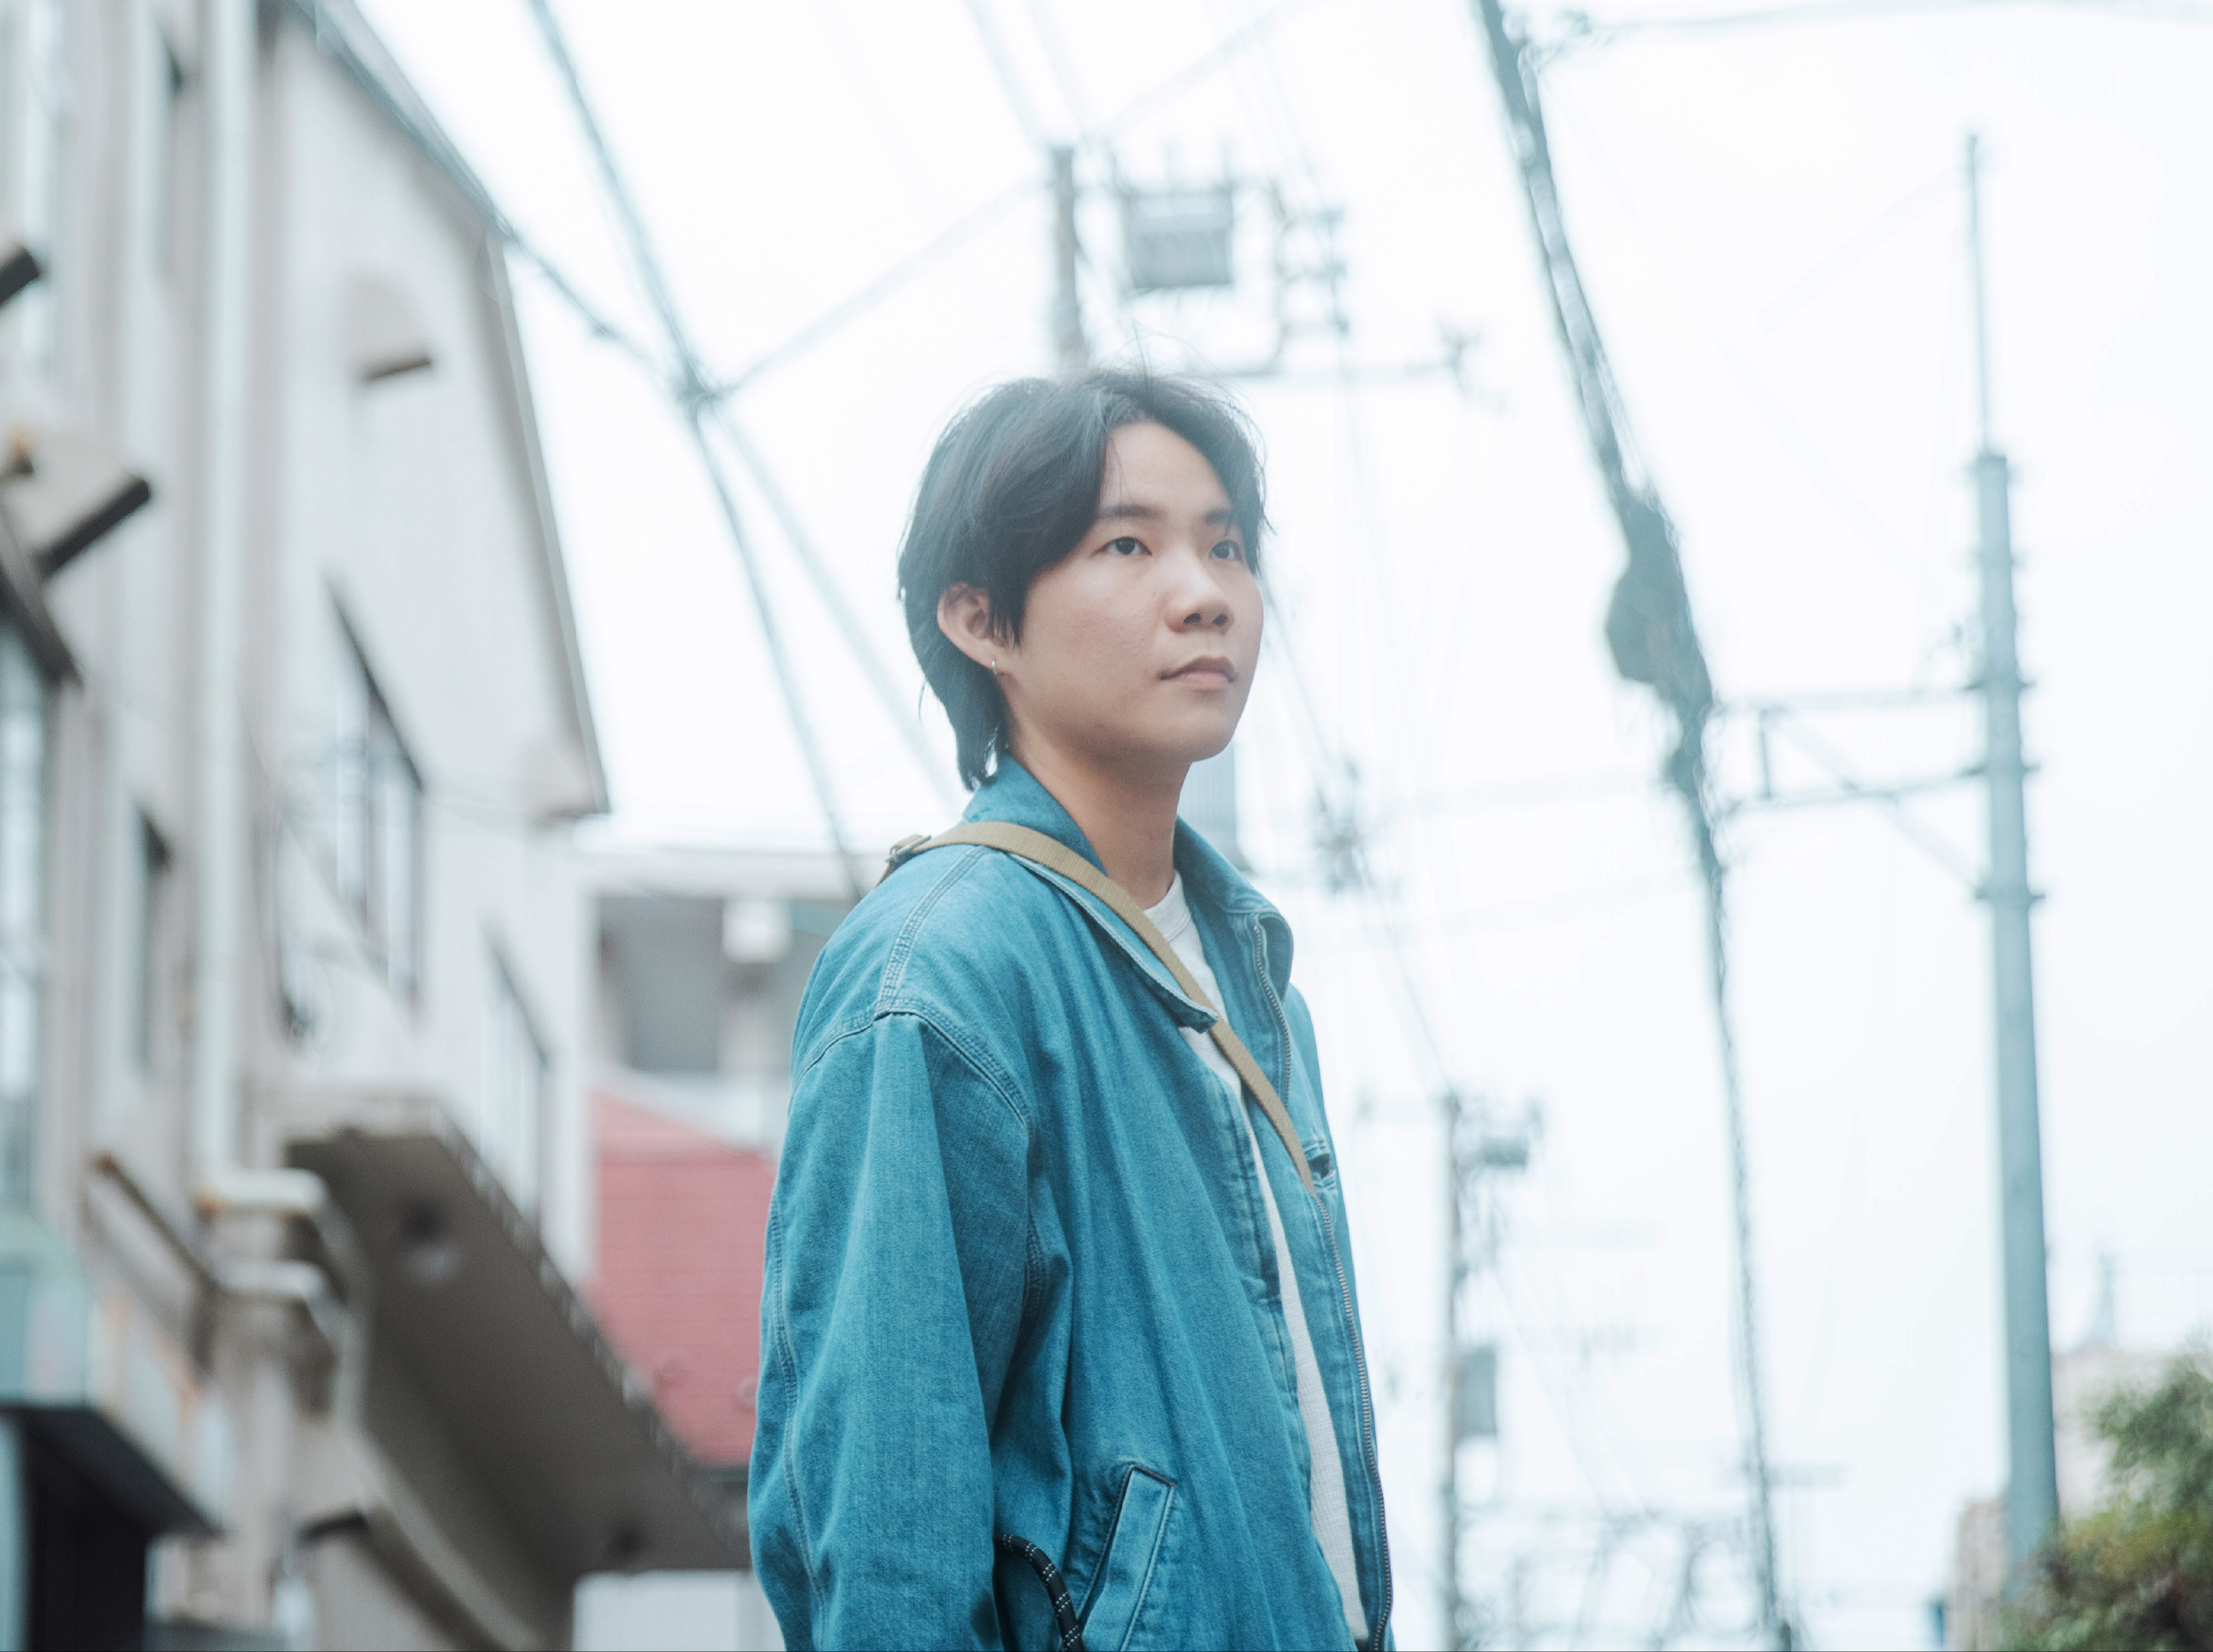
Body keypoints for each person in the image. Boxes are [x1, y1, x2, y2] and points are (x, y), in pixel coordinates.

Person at [749, 369, 1393, 1651]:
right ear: (981, 620)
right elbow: (886, 1558)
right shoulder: (938, 979)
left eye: (1225, 546)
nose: (1205, 592)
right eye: (1128, 546)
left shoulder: (1254, 986)